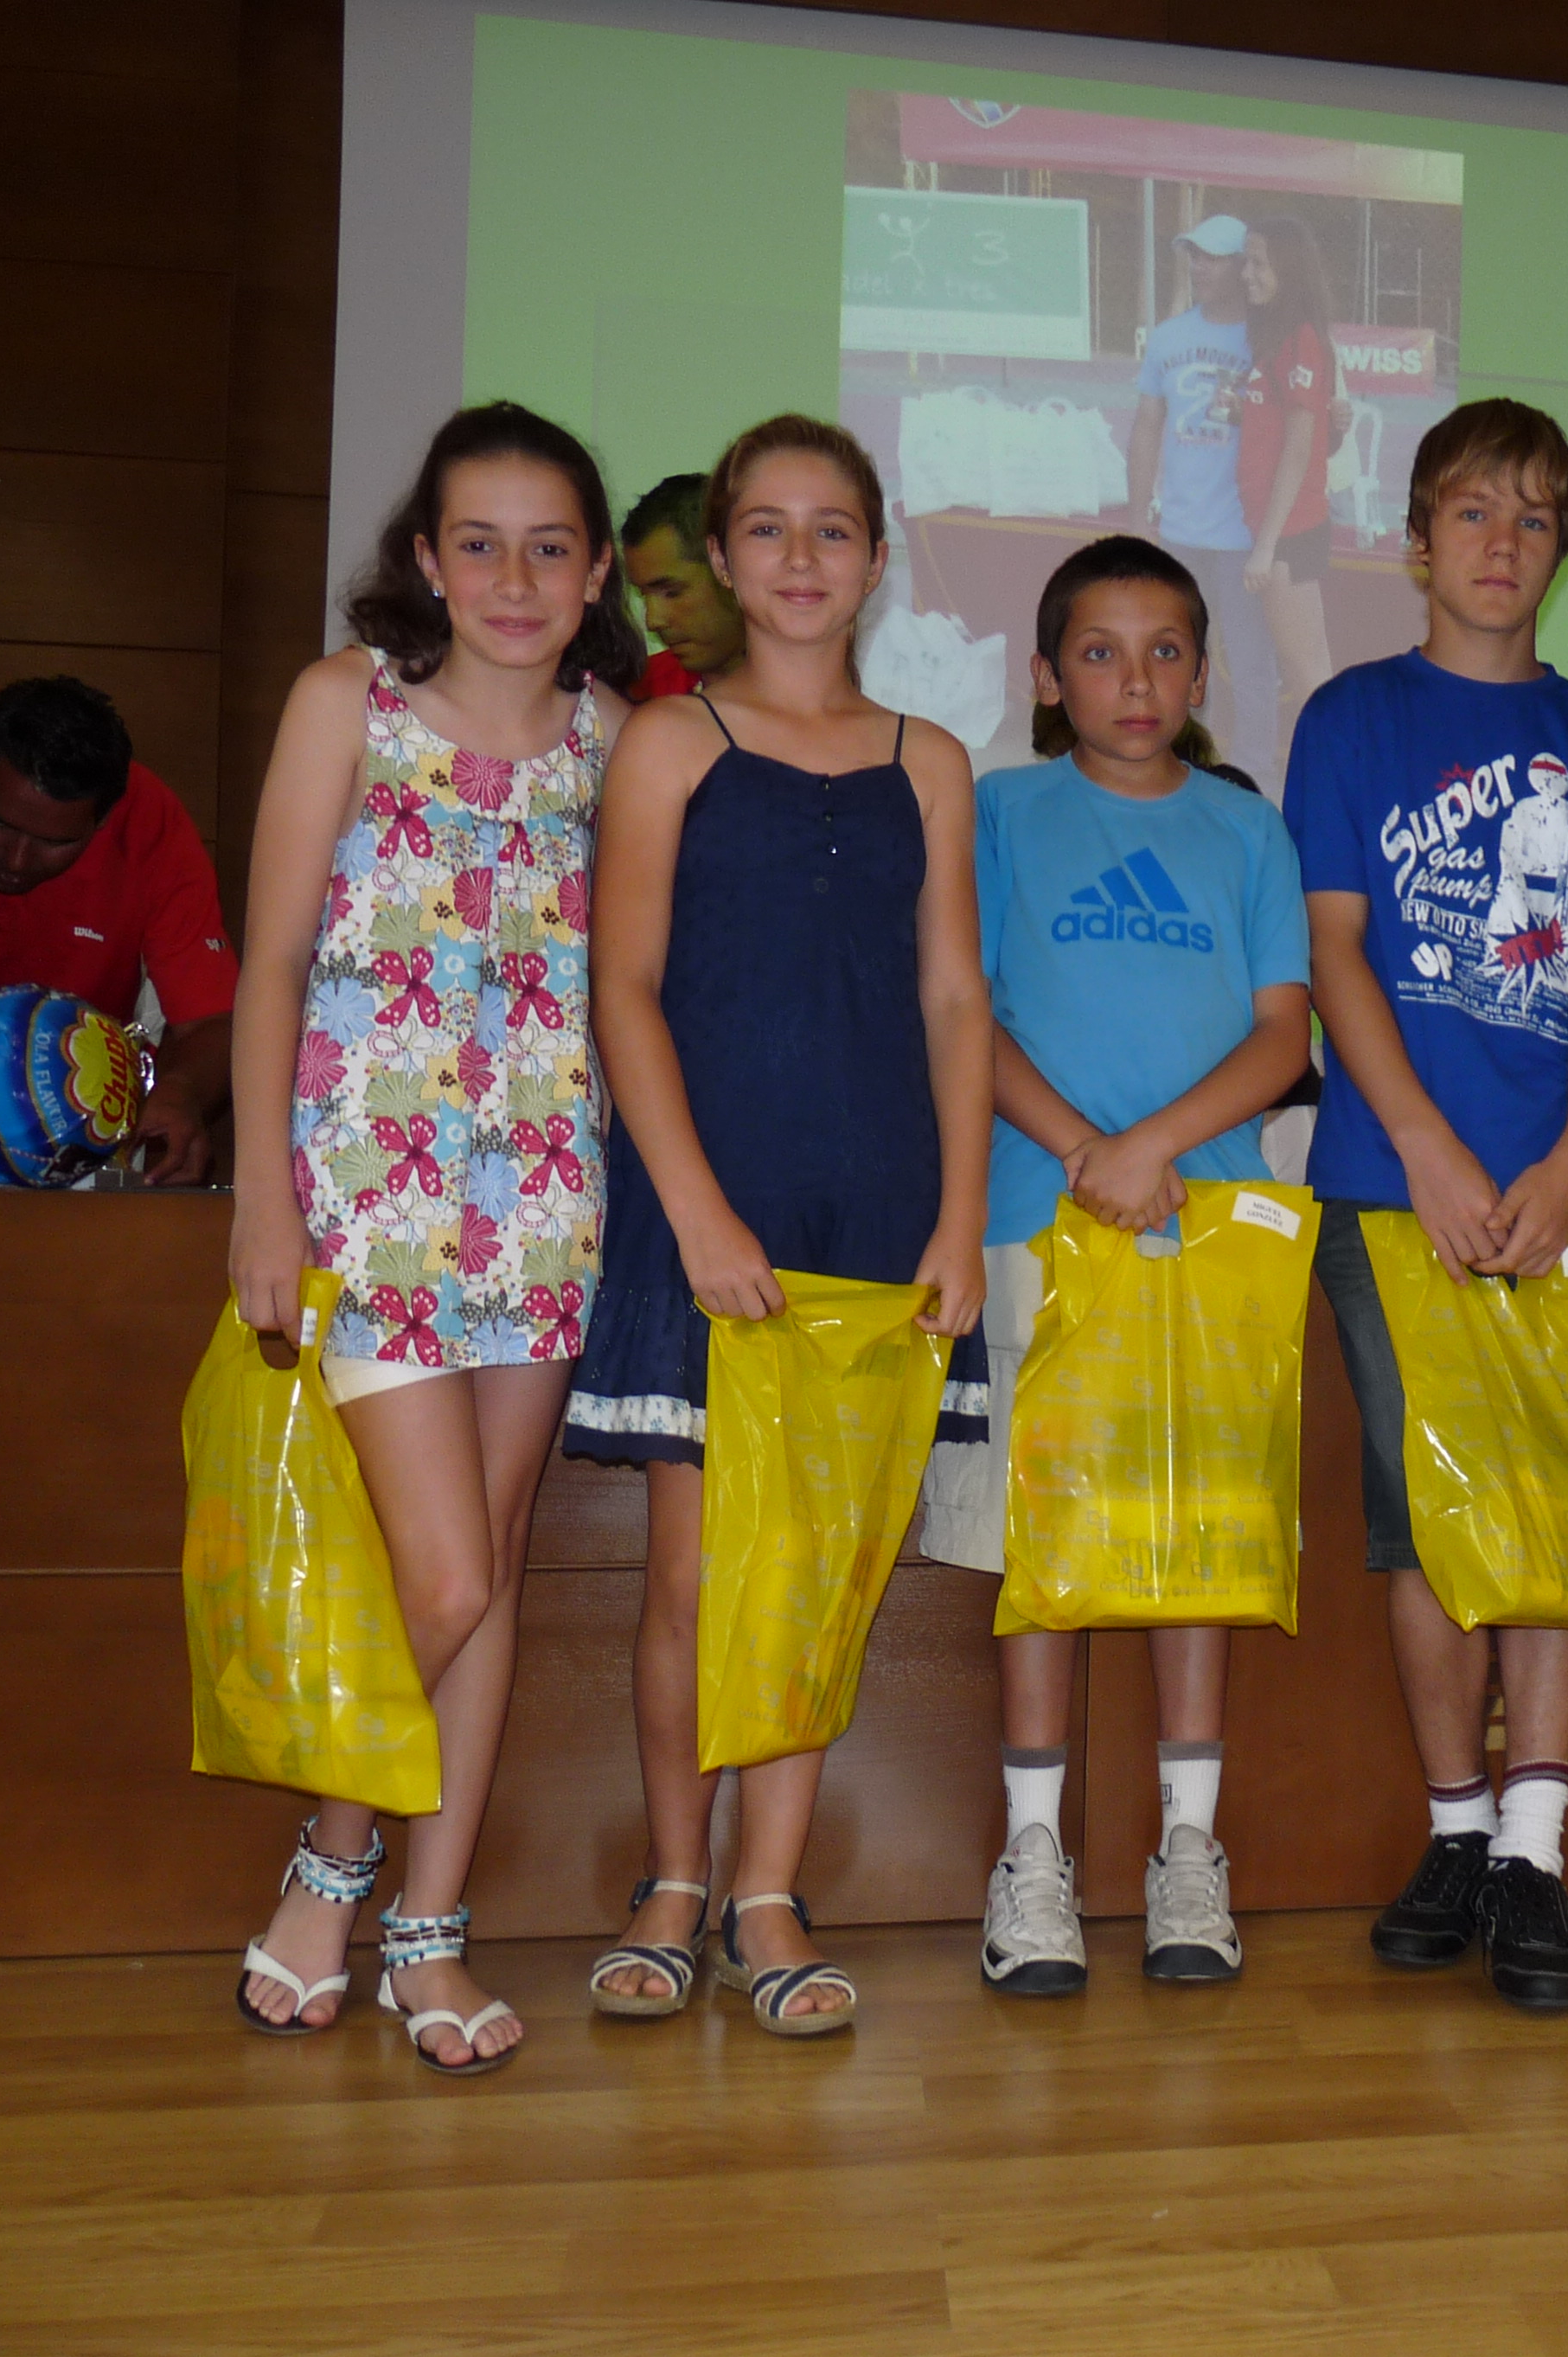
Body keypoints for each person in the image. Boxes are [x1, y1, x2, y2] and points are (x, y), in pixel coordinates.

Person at [227, 400, 640, 2073]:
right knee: (445, 1571)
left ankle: (432, 1927)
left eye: (550, 548)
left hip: (543, 1197)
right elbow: (267, 964)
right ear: (425, 556)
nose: (514, 579)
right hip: (369, 1196)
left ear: (596, 571)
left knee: (496, 1562)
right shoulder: (346, 702)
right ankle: (334, 1862)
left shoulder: (621, 741)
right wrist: (263, 1197)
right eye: (480, 544)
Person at [570, 414, 990, 2040]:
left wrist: (959, 1218)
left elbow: (952, 999)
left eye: (832, 530)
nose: (800, 558)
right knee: (694, 1576)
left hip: (875, 1219)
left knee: (816, 1571)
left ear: (877, 560)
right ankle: (675, 1883)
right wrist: (692, 1212)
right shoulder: (668, 746)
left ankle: (768, 1896)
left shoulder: (929, 762)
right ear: (722, 559)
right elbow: (623, 988)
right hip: (708, 1212)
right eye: (767, 528)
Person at [1283, 398, 1568, 2013]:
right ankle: (1454, 1830)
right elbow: (1335, 949)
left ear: (1563, 550)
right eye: (1475, 514)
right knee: (1427, 1524)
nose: (1505, 544)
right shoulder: (1350, 716)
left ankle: (1534, 1857)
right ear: (1416, 539)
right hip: (1393, 1185)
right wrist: (1426, 1146)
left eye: (1536, 518)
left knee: (1554, 1512)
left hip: (1567, 1190)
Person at [920, 535, 1310, 1995]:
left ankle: (1186, 1851)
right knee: (1044, 1551)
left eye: (1164, 653)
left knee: (1195, 1546)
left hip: (1208, 1238)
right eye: (1098, 651)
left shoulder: (1246, 830)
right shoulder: (997, 812)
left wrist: (1150, 1147)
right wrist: (1087, 1149)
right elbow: (964, 1010)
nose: (1133, 680)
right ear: (1043, 677)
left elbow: (1284, 1035)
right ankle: (1032, 1857)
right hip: (1040, 1224)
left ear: (1202, 677)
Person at [0, 676, 237, 1183]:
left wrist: (181, 1094)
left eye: (55, 842)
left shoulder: (149, 823)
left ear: (105, 819)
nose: (16, 860)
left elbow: (211, 1022)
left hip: (76, 1133)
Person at [1128, 214, 1276, 792]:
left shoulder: (1267, 341)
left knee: (1250, 660)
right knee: (1182, 656)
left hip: (1243, 538)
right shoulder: (1168, 338)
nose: (1199, 267)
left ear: (1243, 266)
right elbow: (1146, 426)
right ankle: (1190, 762)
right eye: (1193, 255)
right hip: (1180, 533)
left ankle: (1255, 772)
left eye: (1211, 257)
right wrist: (1139, 519)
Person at [1234, 214, 1343, 778]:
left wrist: (1266, 547)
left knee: (1309, 675)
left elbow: (1299, 452)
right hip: (1275, 531)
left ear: (1287, 266)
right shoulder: (1274, 337)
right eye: (1246, 262)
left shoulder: (1302, 338)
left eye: (1259, 263)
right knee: (1306, 670)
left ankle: (1338, 781)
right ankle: (1335, 778)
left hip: (1291, 534)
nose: (1247, 274)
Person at [619, 471, 745, 700]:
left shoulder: (812, 685)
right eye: (643, 595)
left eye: (672, 592)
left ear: (730, 569)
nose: (653, 621)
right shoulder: (643, 694)